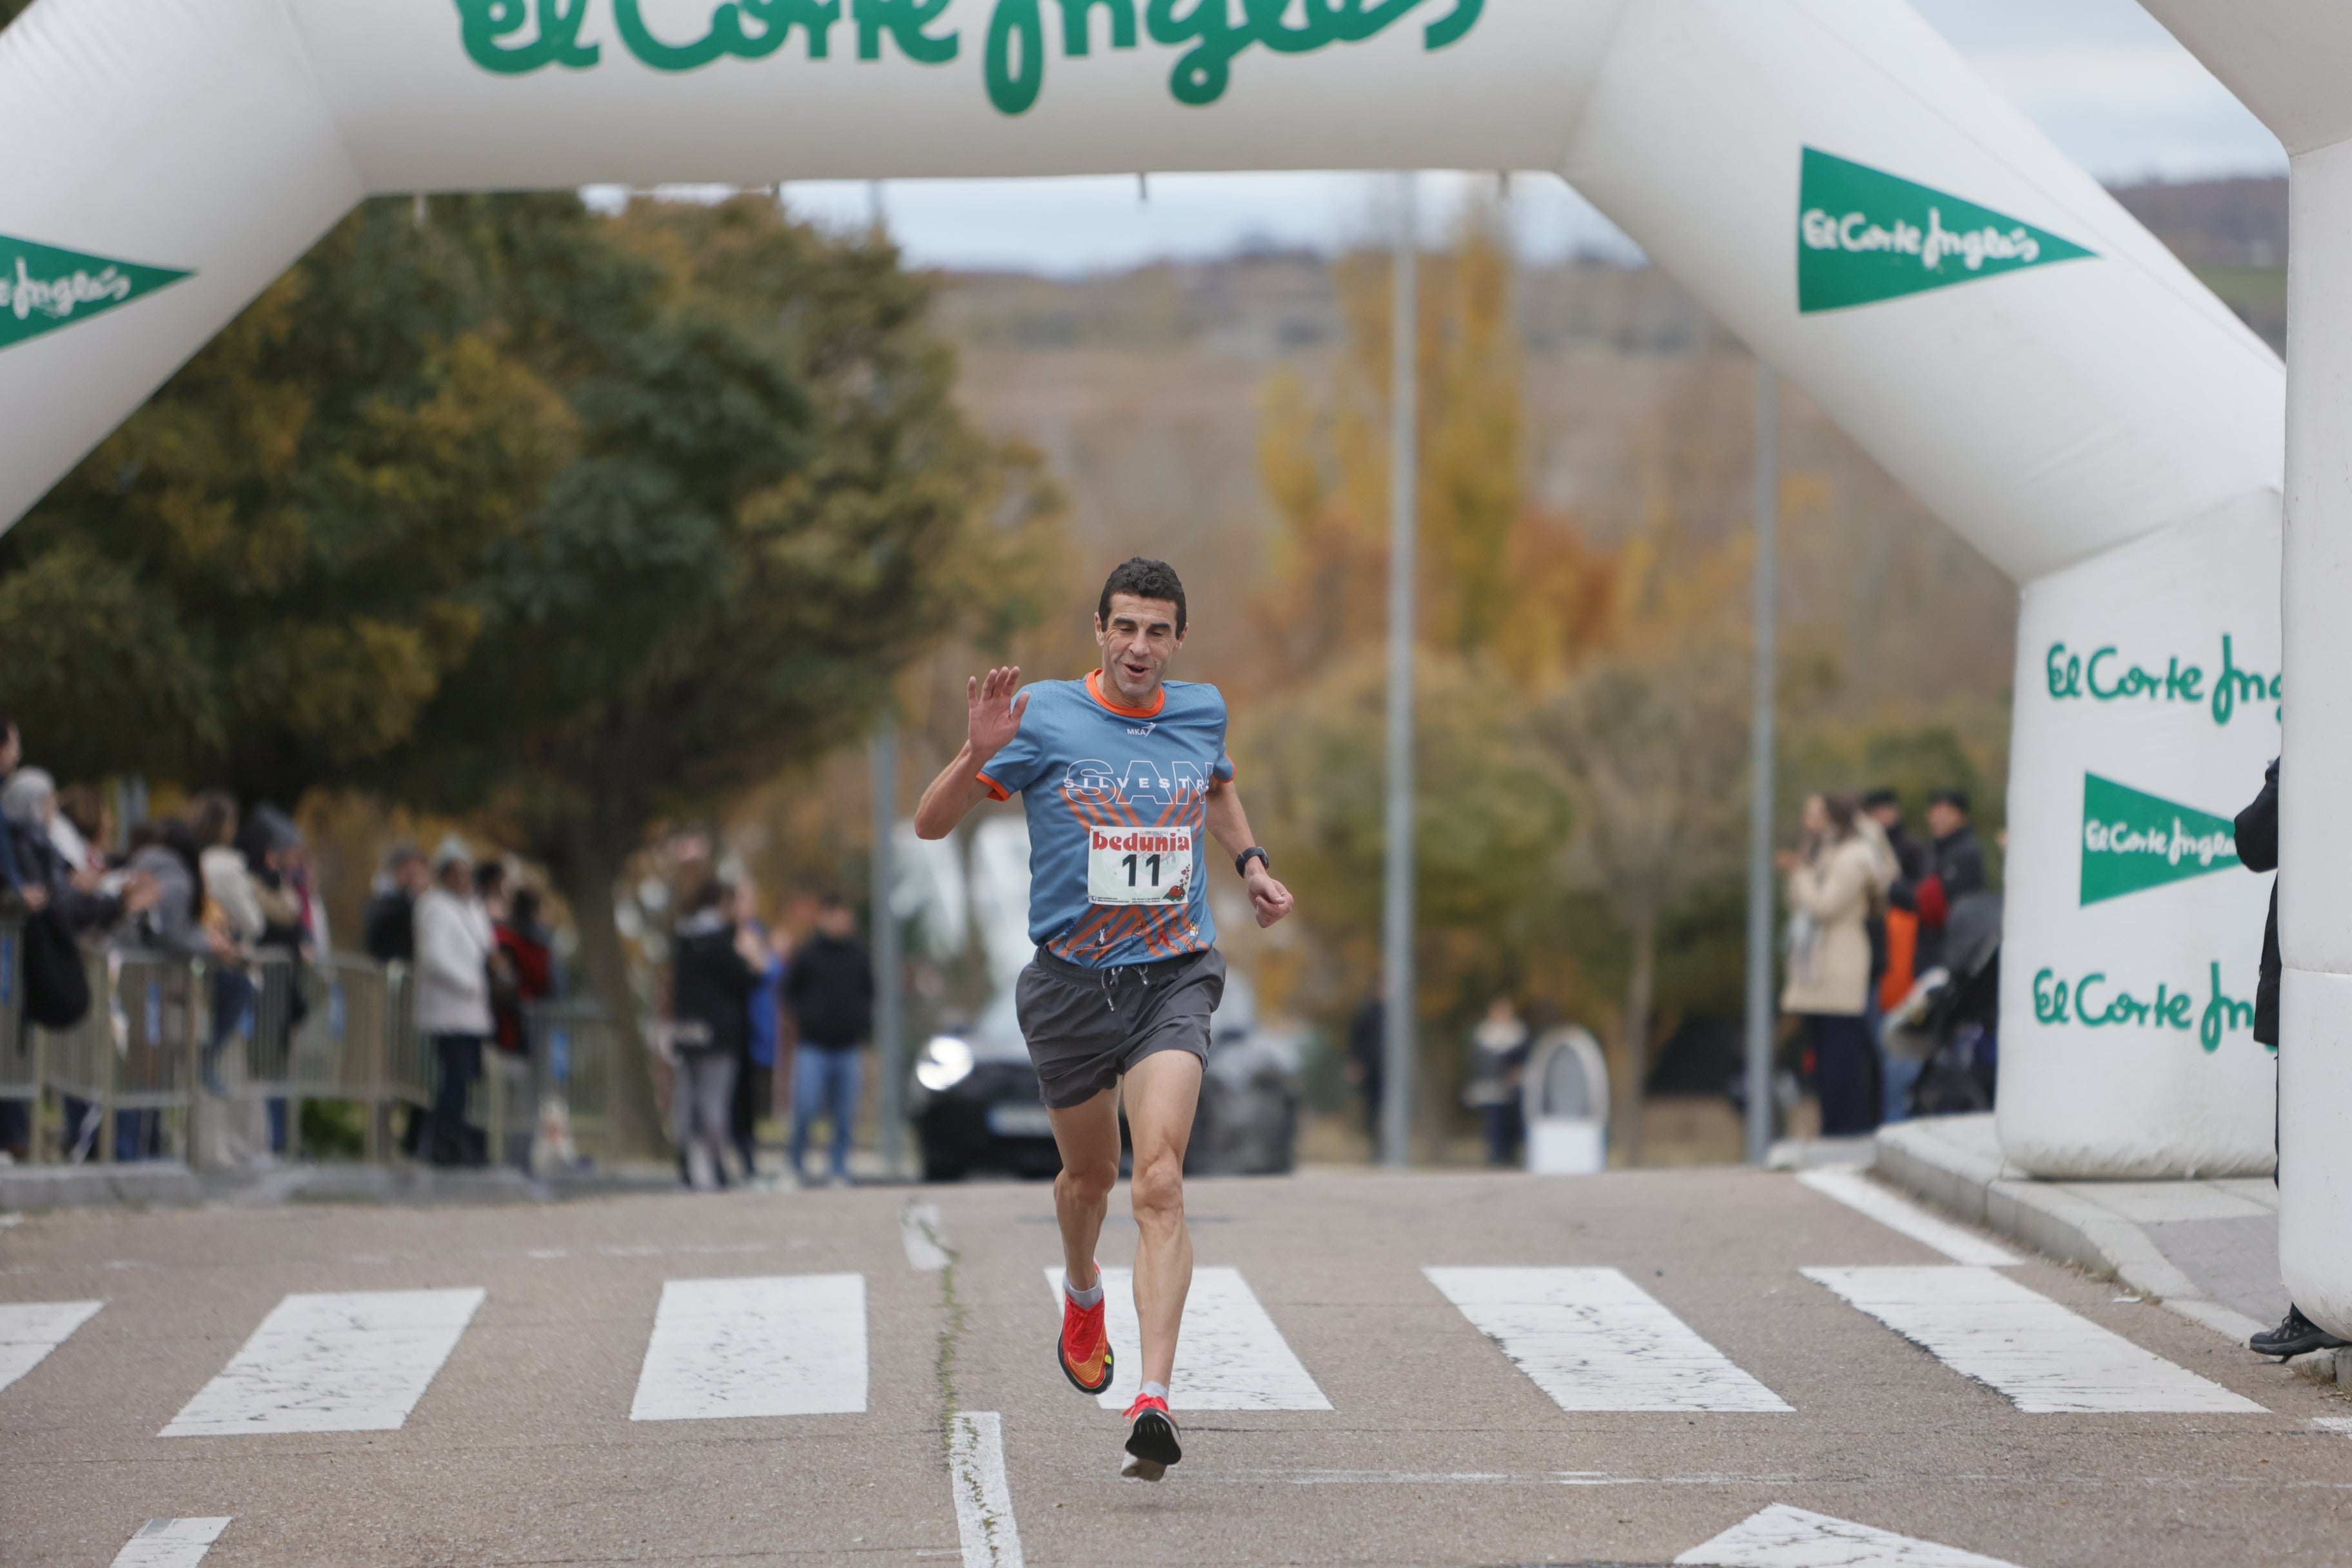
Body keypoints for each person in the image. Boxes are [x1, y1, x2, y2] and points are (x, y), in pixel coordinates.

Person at [912, 555, 1297, 1483]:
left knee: (1157, 1179)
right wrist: (973, 754)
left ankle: (1154, 1399)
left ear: (1178, 640)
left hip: (1174, 976)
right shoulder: (1042, 716)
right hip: (1071, 987)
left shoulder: (1201, 711)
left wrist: (1250, 865)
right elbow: (930, 825)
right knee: (1089, 1178)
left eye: (1157, 630)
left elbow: (1215, 787)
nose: (1139, 646)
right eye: (1124, 626)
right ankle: (1083, 1290)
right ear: (1100, 631)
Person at [2236, 758, 2345, 1359]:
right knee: (2303, 1153)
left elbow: (2252, 844)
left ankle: (2320, 1304)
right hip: (2316, 986)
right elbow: (2255, 844)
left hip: (2329, 983)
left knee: (2311, 1148)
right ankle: (2316, 1303)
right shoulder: (2313, 753)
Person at [1778, 792, 1881, 1137]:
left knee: (1842, 1056)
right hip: (1814, 967)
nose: (1809, 822)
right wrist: (1801, 873)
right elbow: (1797, 903)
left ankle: (1848, 1127)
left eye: (1816, 814)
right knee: (1820, 1056)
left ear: (1836, 817)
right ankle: (1831, 1125)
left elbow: (1825, 906)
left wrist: (1801, 874)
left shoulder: (1855, 857)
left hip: (1839, 964)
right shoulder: (1817, 854)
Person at [671, 878, 765, 1191]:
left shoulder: (683, 938)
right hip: (719, 1031)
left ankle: (685, 1163)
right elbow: (744, 979)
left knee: (686, 1098)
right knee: (714, 1100)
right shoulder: (720, 941)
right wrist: (754, 962)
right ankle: (717, 1168)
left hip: (686, 1027)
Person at [413, 838, 496, 1167]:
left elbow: (486, 946)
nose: (463, 878)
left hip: (473, 1012)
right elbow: (434, 956)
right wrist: (469, 982)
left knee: (466, 1081)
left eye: (467, 872)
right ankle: (442, 1141)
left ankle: (455, 1138)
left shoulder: (473, 908)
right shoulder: (433, 907)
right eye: (456, 872)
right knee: (454, 1078)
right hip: (448, 1010)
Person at [783, 892, 874, 1186]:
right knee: (805, 1107)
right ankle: (795, 1165)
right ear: (825, 917)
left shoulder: (859, 954)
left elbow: (869, 992)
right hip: (813, 1046)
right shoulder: (808, 954)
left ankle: (838, 1168)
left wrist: (860, 1022)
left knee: (845, 1115)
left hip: (847, 1047)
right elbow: (789, 993)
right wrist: (807, 1016)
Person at [733, 883, 787, 1180]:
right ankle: (737, 1155)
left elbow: (773, 971)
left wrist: (764, 960)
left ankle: (748, 1158)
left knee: (754, 1097)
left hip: (760, 1027)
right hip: (735, 1027)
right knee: (734, 1095)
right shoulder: (726, 934)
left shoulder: (759, 934)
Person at [1912, 789, 1986, 971]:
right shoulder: (1933, 850)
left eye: (1948, 812)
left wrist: (1906, 894)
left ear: (1962, 816)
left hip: (1952, 948)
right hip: (1929, 945)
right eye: (1936, 811)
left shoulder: (1966, 852)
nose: (1940, 818)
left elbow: (1943, 903)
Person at [1464, 996, 1531, 1168]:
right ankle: (1496, 1156)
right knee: (1493, 1122)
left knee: (1512, 1121)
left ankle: (1510, 1155)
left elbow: (1524, 1059)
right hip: (1490, 1087)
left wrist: (1517, 1073)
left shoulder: (1518, 1034)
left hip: (1512, 1086)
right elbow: (1477, 1061)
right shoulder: (1484, 1035)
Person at [363, 843, 429, 966]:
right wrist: (408, 893)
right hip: (388, 967)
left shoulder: (424, 900)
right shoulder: (385, 896)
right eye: (411, 872)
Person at [1345, 989, 1385, 1146]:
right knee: (1372, 1106)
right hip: (1373, 1067)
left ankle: (1382, 1140)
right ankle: (1376, 1143)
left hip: (1387, 1069)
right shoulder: (1368, 1012)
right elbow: (1357, 1038)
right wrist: (1355, 1062)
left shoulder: (1398, 1013)